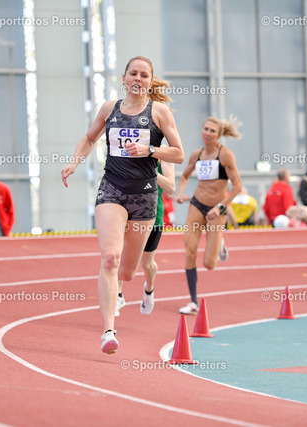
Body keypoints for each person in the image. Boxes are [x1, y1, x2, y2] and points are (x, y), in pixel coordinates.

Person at [61, 56, 184, 354]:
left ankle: (138, 287)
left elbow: (179, 154)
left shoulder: (159, 113)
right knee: (110, 259)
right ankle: (108, 331)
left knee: (127, 272)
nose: (138, 79)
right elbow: (89, 138)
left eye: (144, 75)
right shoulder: (109, 109)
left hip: (144, 196)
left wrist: (149, 150)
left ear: (150, 81)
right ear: (125, 78)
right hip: (112, 190)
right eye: (133, 74)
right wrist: (75, 162)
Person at [176, 117, 242, 315]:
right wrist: (181, 193)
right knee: (189, 251)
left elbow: (237, 186)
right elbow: (184, 176)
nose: (207, 133)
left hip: (216, 209)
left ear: (219, 135)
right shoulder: (196, 155)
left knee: (209, 264)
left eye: (212, 131)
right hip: (197, 205)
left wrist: (220, 206)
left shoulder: (225, 155)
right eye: (205, 129)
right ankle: (193, 302)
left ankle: (220, 243)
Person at [116, 160, 175, 317]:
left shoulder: (163, 155)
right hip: (128, 211)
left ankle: (149, 289)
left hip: (153, 215)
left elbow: (171, 187)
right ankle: (118, 294)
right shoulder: (127, 150)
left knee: (146, 263)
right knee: (120, 254)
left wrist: (149, 169)